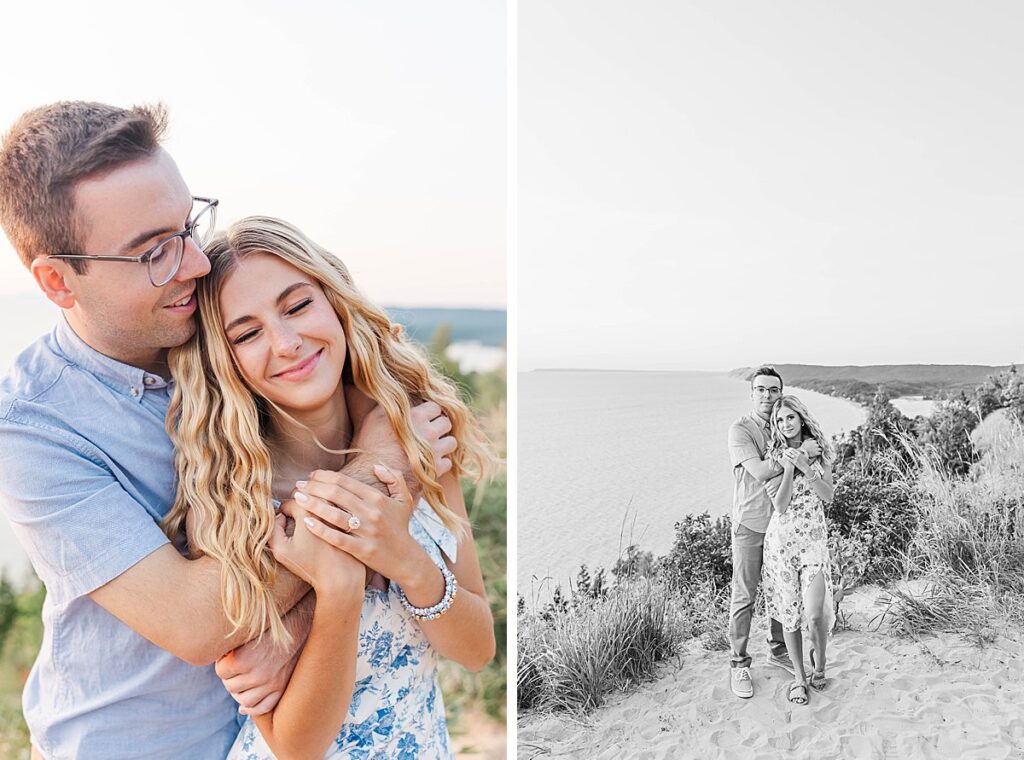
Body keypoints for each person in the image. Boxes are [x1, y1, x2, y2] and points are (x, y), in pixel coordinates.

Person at [0, 101, 458, 759]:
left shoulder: (218, 331)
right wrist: (381, 474)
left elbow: (365, 372)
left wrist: (294, 627)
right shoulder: (31, 433)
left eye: (186, 225)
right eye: (154, 252)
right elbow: (200, 621)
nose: (193, 263)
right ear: (57, 280)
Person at [164, 216, 496, 758]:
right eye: (247, 334)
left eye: (297, 306)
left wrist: (406, 560)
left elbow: (478, 649)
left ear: (335, 302)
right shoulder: (232, 504)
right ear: (225, 363)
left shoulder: (420, 445)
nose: (287, 343)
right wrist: (337, 590)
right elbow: (295, 747)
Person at [726, 366, 819, 699]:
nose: (767, 395)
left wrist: (803, 449)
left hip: (785, 525)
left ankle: (777, 648)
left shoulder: (786, 420)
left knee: (783, 592)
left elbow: (813, 443)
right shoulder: (741, 430)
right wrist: (796, 455)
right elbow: (763, 470)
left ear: (781, 392)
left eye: (773, 390)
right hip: (751, 523)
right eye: (761, 389)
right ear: (752, 393)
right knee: (745, 595)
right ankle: (739, 665)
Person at [762, 395, 835, 705]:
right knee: (790, 616)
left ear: (801, 418)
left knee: (815, 613)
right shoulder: (774, 457)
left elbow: (828, 496)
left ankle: (820, 663)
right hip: (781, 545)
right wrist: (790, 467)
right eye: (779, 420)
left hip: (813, 543)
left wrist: (807, 465)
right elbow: (779, 505)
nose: (785, 424)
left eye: (790, 417)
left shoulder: (820, 450)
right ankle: (799, 678)